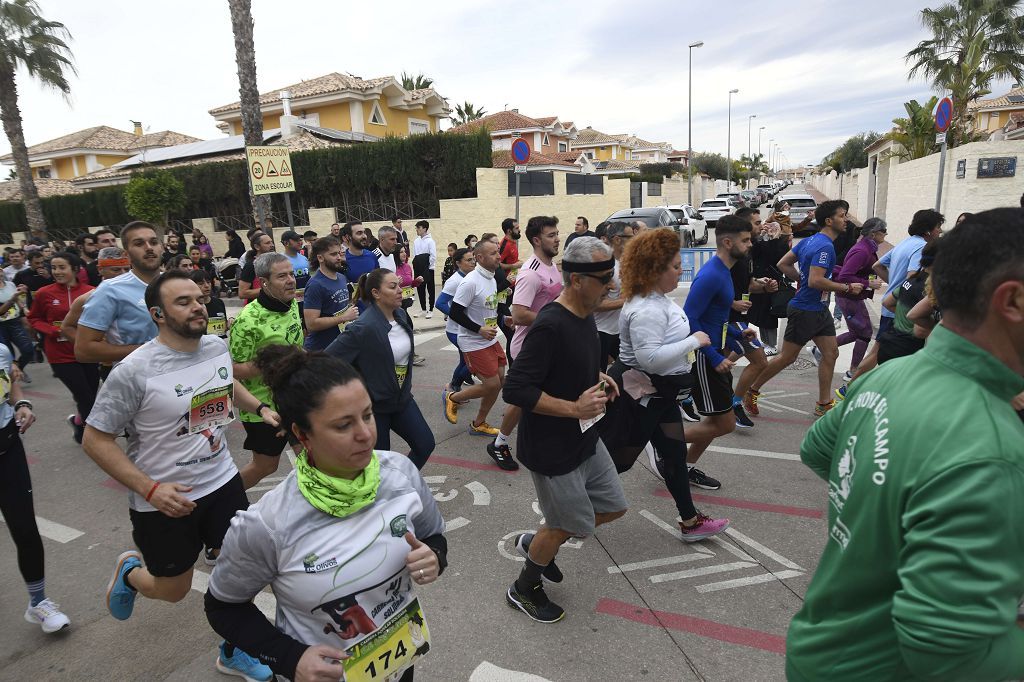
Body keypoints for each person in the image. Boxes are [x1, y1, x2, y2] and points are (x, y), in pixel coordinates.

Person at [786, 208, 1024, 681]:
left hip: (821, 648)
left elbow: (817, 449)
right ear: (1013, 300)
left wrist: (882, 512)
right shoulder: (990, 448)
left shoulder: (890, 374)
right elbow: (948, 651)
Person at [204, 344, 448, 682]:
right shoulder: (268, 523)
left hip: (398, 660)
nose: (366, 434)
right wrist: (290, 658)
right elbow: (223, 607)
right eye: (343, 425)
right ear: (302, 434)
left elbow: (433, 536)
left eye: (367, 414)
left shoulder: (401, 473)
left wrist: (434, 556)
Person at [83, 270, 278, 682]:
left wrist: (259, 409)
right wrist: (149, 489)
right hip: (165, 499)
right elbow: (95, 439)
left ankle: (234, 649)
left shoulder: (213, 346)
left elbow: (225, 389)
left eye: (198, 298)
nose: (197, 307)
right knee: (172, 590)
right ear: (157, 314)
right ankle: (131, 573)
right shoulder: (133, 371)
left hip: (222, 481)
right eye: (183, 302)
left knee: (241, 574)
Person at [502, 236, 628, 623]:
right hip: (553, 450)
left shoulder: (585, 313)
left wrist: (598, 375)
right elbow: (516, 388)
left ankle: (536, 542)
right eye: (605, 277)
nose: (612, 284)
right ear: (576, 280)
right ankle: (524, 588)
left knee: (611, 507)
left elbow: (570, 364)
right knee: (568, 525)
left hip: (586, 439)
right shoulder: (550, 325)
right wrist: (573, 407)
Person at [606, 227, 730, 540]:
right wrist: (694, 341)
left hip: (659, 397)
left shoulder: (656, 300)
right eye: (675, 266)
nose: (681, 270)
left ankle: (690, 522)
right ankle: (558, 521)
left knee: (674, 457)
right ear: (655, 270)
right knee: (617, 463)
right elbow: (650, 359)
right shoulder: (647, 309)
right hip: (640, 397)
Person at [749, 201, 864, 416]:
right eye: (842, 215)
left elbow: (784, 264)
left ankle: (823, 403)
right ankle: (751, 390)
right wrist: (846, 287)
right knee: (787, 357)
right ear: (829, 221)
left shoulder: (810, 241)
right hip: (805, 309)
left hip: (818, 309)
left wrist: (801, 278)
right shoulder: (824, 246)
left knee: (831, 353)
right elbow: (815, 281)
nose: (846, 220)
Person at [327, 269, 435, 469]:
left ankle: (401, 483)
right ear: (376, 293)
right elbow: (326, 361)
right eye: (392, 287)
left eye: (399, 285)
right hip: (374, 408)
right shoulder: (362, 328)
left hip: (402, 400)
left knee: (425, 444)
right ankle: (381, 496)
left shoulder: (401, 315)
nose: (400, 290)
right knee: (379, 465)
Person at [681, 215, 757, 490]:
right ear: (728, 242)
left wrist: (737, 334)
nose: (750, 244)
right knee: (724, 424)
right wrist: (714, 357)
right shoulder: (712, 274)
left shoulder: (725, 272)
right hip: (706, 358)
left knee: (714, 420)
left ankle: (685, 468)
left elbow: (717, 319)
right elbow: (689, 318)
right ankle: (661, 441)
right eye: (745, 240)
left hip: (717, 354)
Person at [0, 341, 70, 633]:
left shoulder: (2, 350)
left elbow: (11, 378)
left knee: (25, 529)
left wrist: (21, 404)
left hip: (7, 450)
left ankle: (38, 602)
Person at [488, 216, 563, 470]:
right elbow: (520, 314)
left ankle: (539, 439)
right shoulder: (531, 274)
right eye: (551, 235)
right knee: (525, 400)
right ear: (536, 240)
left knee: (539, 397)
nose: (557, 238)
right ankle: (500, 443)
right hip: (528, 347)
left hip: (546, 343)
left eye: (556, 233)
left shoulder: (551, 266)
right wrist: (557, 319)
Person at [847, 209, 945, 386]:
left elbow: (878, 266)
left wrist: (893, 284)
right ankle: (851, 388)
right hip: (903, 310)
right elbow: (913, 278)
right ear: (929, 230)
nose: (940, 231)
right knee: (882, 354)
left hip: (892, 305)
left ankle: (851, 387)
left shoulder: (905, 243)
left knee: (878, 351)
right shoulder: (921, 247)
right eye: (938, 227)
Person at [229, 253, 303, 489]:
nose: (291, 280)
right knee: (265, 466)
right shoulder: (247, 321)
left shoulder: (290, 303)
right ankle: (220, 502)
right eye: (282, 276)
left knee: (311, 458)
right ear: (264, 283)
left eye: (291, 273)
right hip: (263, 409)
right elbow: (233, 370)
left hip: (294, 397)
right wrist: (274, 362)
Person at [27, 252, 97, 443]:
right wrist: (51, 331)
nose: (56, 271)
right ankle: (94, 438)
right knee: (85, 397)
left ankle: (78, 423)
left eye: (61, 267)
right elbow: (34, 318)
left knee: (91, 394)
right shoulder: (44, 293)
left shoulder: (92, 291)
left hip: (87, 352)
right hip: (60, 356)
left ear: (75, 269)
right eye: (54, 268)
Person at [76, 222, 164, 365]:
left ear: (161, 247)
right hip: (137, 379)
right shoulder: (109, 290)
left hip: (181, 376)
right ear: (126, 254)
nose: (148, 248)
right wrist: (150, 350)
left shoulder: (176, 282)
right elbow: (84, 350)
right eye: (139, 243)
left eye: (154, 242)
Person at [443, 239, 504, 440]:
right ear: (480, 257)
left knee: (499, 381)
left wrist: (505, 319)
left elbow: (488, 307)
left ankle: (479, 424)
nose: (499, 256)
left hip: (490, 339)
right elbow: (456, 313)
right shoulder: (470, 282)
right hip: (473, 341)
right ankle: (453, 397)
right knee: (491, 385)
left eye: (498, 252)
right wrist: (479, 330)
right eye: (494, 253)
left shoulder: (492, 278)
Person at [728, 208, 777, 428]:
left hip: (740, 319)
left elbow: (747, 285)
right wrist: (732, 302)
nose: (762, 226)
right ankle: (735, 404)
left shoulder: (747, 253)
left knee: (721, 362)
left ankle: (728, 402)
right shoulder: (730, 257)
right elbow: (709, 288)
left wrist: (764, 287)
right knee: (759, 361)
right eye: (757, 223)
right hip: (728, 319)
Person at [832, 218, 887, 384]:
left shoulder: (867, 248)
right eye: (883, 230)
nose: (886, 234)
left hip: (853, 297)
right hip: (849, 298)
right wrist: (868, 283)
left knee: (858, 333)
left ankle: (822, 348)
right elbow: (845, 276)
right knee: (865, 334)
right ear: (873, 233)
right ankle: (852, 371)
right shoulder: (862, 250)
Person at [875, 241, 940, 366]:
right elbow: (920, 331)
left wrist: (906, 315)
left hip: (889, 343)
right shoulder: (929, 289)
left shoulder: (911, 280)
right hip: (906, 351)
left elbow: (887, 302)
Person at [303, 236, 359, 351]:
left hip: (339, 346)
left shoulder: (342, 277)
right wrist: (344, 317)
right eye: (333, 254)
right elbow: (311, 324)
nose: (339, 257)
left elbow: (343, 305)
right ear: (320, 258)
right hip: (320, 351)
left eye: (339, 253)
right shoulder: (315, 285)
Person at [593, 222, 635, 366]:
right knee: (598, 377)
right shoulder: (605, 265)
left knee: (630, 371)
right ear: (617, 239)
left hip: (619, 331)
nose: (634, 239)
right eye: (630, 237)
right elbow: (595, 305)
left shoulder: (625, 262)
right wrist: (627, 300)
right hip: (600, 332)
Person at [436, 247, 476, 394]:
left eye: (473, 259)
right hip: (456, 330)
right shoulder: (454, 281)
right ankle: (453, 386)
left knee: (465, 361)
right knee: (473, 362)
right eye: (469, 260)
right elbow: (439, 303)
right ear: (458, 263)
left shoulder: (472, 277)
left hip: (468, 328)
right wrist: (458, 317)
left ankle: (454, 388)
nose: (473, 262)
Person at [237, 232, 275, 302]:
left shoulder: (275, 262)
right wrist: (271, 290)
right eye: (267, 243)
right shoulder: (251, 266)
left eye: (272, 242)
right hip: (258, 308)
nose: (272, 245)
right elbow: (242, 293)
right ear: (257, 247)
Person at [341, 221, 379, 292]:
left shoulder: (372, 256)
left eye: (364, 232)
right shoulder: (342, 260)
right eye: (359, 233)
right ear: (346, 238)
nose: (364, 236)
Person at [190, 270, 228, 339]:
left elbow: (225, 326)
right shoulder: (192, 307)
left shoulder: (219, 302)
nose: (206, 286)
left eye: (208, 282)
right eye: (201, 283)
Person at [280, 230, 311, 313]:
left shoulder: (304, 258)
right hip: (290, 303)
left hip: (307, 301)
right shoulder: (280, 260)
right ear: (286, 243)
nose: (300, 242)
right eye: (296, 240)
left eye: (300, 240)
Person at [412, 220, 437, 318]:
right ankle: (423, 309)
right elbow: (415, 254)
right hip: (419, 267)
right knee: (420, 288)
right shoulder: (416, 241)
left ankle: (431, 309)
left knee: (430, 288)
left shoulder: (430, 241)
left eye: (418, 228)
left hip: (429, 268)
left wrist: (427, 266)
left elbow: (433, 256)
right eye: (416, 228)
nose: (417, 230)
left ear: (425, 229)